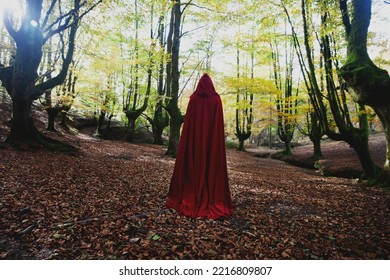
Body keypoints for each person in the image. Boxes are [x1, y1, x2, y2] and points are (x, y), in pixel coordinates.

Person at [166, 73, 233, 219]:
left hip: (194, 144)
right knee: (209, 163)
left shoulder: (194, 99)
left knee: (194, 163)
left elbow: (189, 126)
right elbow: (216, 127)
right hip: (210, 144)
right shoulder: (216, 100)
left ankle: (191, 192)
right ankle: (209, 196)